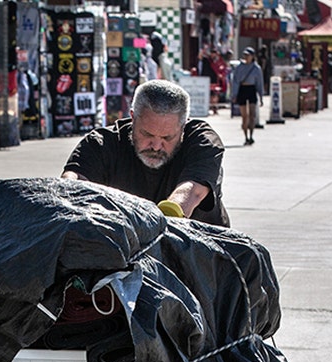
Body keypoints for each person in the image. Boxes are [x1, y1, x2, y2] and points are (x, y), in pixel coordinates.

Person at [62, 79, 230, 227]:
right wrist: (67, 192)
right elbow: (73, 182)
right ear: (133, 117)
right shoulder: (101, 143)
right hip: (120, 249)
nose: (156, 146)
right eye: (147, 134)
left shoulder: (202, 141)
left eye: (167, 137)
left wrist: (164, 219)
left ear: (183, 126)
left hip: (201, 251)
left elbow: (193, 191)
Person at [230, 47, 265, 146]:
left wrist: (261, 96)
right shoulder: (239, 67)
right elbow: (235, 82)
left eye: (248, 55)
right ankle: (245, 136)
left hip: (251, 90)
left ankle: (251, 135)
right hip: (242, 90)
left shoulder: (256, 68)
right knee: (244, 116)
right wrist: (234, 95)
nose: (246, 57)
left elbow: (259, 83)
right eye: (245, 55)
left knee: (252, 115)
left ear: (252, 56)